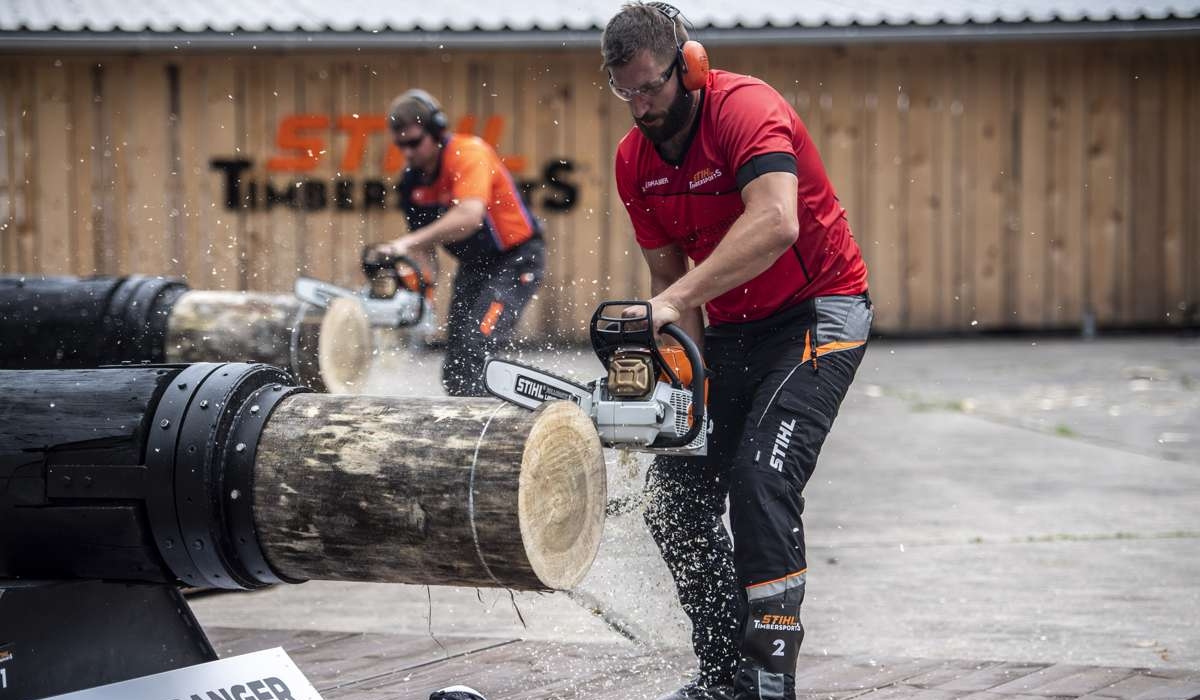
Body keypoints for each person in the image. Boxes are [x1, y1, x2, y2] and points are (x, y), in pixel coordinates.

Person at [602, 4, 874, 700]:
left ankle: (768, 679)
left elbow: (777, 220)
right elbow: (670, 286)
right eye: (624, 91)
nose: (640, 106)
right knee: (676, 500)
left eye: (651, 88)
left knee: (761, 481)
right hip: (730, 329)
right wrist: (681, 383)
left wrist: (668, 303)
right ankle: (723, 675)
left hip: (819, 312)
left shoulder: (745, 109)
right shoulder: (634, 162)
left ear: (689, 67)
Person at [374, 89, 545, 396]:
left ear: (436, 131)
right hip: (474, 265)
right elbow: (423, 250)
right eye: (401, 145)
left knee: (477, 346)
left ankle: (490, 429)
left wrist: (404, 243)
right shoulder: (412, 181)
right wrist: (421, 295)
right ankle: (462, 427)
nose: (408, 152)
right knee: (455, 363)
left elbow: (469, 216)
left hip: (516, 258)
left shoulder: (468, 153)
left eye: (414, 142)